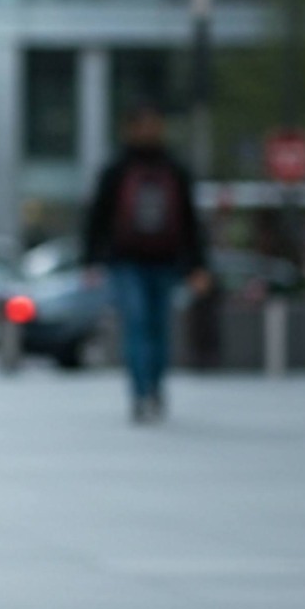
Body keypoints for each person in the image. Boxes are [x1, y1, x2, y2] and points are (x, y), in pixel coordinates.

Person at [84, 102, 209, 423]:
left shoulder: (174, 169)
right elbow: (97, 216)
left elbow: (191, 222)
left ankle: (154, 387)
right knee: (137, 324)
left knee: (158, 327)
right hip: (126, 261)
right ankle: (140, 392)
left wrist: (197, 265)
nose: (149, 131)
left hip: (165, 261)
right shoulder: (117, 169)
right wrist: (90, 260)